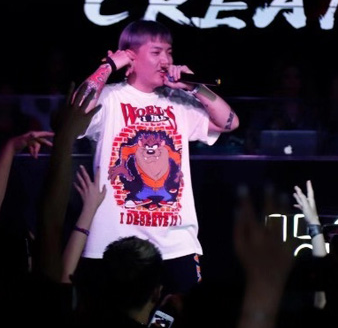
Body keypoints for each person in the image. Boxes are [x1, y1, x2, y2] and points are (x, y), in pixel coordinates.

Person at [73, 19, 240, 296]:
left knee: (181, 318)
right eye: (156, 52)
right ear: (131, 57)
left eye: (169, 52)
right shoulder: (110, 98)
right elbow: (75, 111)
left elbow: (229, 122)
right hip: (112, 243)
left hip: (175, 244)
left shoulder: (178, 102)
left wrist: (193, 87)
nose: (166, 60)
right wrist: (110, 65)